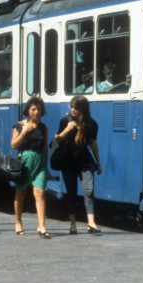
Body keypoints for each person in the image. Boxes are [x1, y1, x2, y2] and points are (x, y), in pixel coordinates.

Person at [53, 95, 103, 234]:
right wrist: (68, 128)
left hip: (85, 161)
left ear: (83, 109)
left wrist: (98, 163)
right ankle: (73, 225)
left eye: (76, 108)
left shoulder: (91, 124)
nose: (73, 110)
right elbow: (59, 139)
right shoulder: (65, 120)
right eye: (71, 107)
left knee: (89, 190)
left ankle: (91, 223)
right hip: (68, 161)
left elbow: (93, 145)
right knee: (71, 193)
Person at [11, 96, 51, 238]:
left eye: (39, 109)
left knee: (40, 193)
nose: (36, 112)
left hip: (39, 162)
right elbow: (14, 145)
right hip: (24, 162)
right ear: (28, 110)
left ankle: (41, 226)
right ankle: (18, 221)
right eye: (33, 109)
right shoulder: (19, 125)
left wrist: (46, 168)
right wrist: (24, 132)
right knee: (20, 194)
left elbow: (45, 147)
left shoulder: (43, 127)